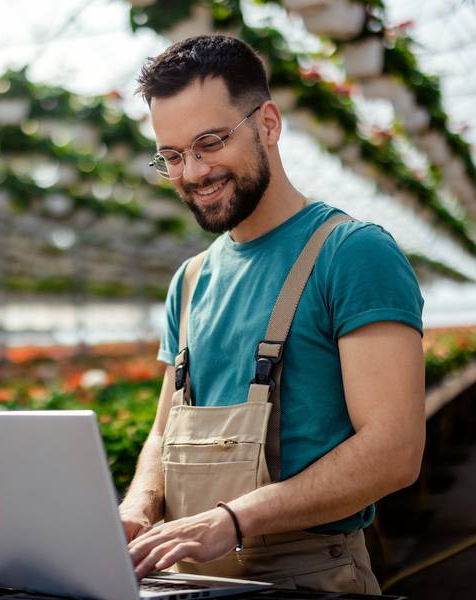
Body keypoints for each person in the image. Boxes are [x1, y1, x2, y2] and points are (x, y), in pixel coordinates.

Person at [120, 34, 425, 594]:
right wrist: (139, 505)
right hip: (186, 573)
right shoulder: (189, 282)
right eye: (172, 155)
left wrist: (234, 520)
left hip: (306, 574)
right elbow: (165, 430)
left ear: (267, 124)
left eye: (209, 142)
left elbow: (395, 451)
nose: (192, 172)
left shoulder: (351, 253)